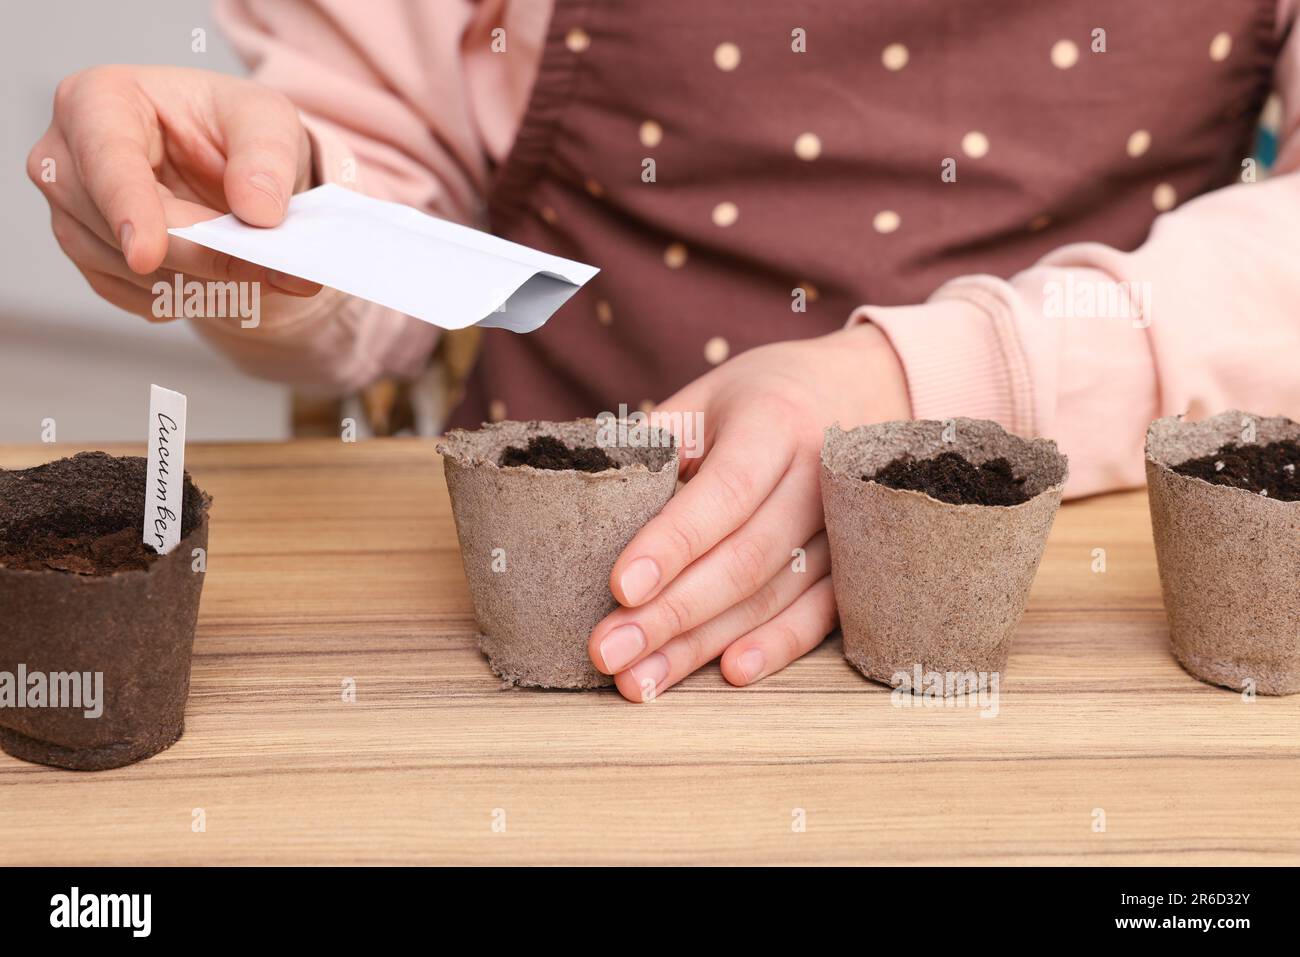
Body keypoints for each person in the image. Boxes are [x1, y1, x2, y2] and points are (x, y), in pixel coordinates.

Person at [28, 1, 1300, 702]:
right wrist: (284, 222)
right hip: (594, 589)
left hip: (1069, 590)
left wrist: (923, 383)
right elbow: (393, 216)